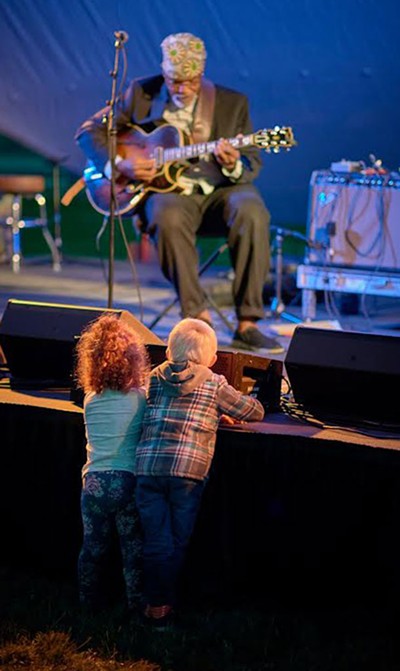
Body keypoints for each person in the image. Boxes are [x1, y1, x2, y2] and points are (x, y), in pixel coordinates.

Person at [76, 31, 284, 355]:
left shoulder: (232, 103)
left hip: (218, 193)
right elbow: (89, 132)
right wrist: (119, 164)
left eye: (189, 81)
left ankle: (248, 323)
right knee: (165, 213)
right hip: (168, 195)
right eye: (174, 81)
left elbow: (251, 163)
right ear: (165, 73)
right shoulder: (141, 92)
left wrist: (232, 164)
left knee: (252, 209)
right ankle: (196, 318)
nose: (181, 89)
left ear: (201, 74)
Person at [134, 318, 265, 627]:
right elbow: (253, 412)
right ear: (213, 358)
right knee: (177, 541)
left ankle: (153, 604)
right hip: (187, 475)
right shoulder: (213, 381)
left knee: (155, 540)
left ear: (168, 352)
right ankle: (165, 607)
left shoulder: (153, 377)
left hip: (148, 470)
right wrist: (219, 410)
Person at [75, 314, 149, 613]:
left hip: (93, 484)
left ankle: (87, 603)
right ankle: (136, 607)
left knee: (92, 549)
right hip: (127, 481)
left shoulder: (90, 398)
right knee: (132, 550)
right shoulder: (141, 399)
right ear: (134, 359)